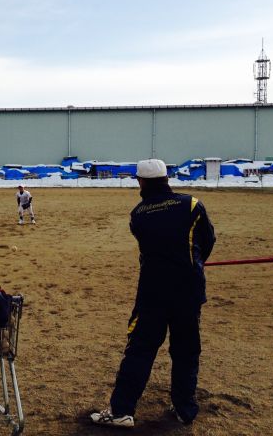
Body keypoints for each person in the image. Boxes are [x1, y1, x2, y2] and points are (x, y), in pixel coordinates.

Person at [91, 159, 215, 428]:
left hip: (153, 292)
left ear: (141, 181)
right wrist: (194, 262)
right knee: (186, 350)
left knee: (140, 350)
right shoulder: (192, 204)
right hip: (189, 290)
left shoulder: (138, 215)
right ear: (167, 178)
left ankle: (121, 410)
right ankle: (184, 409)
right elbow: (208, 241)